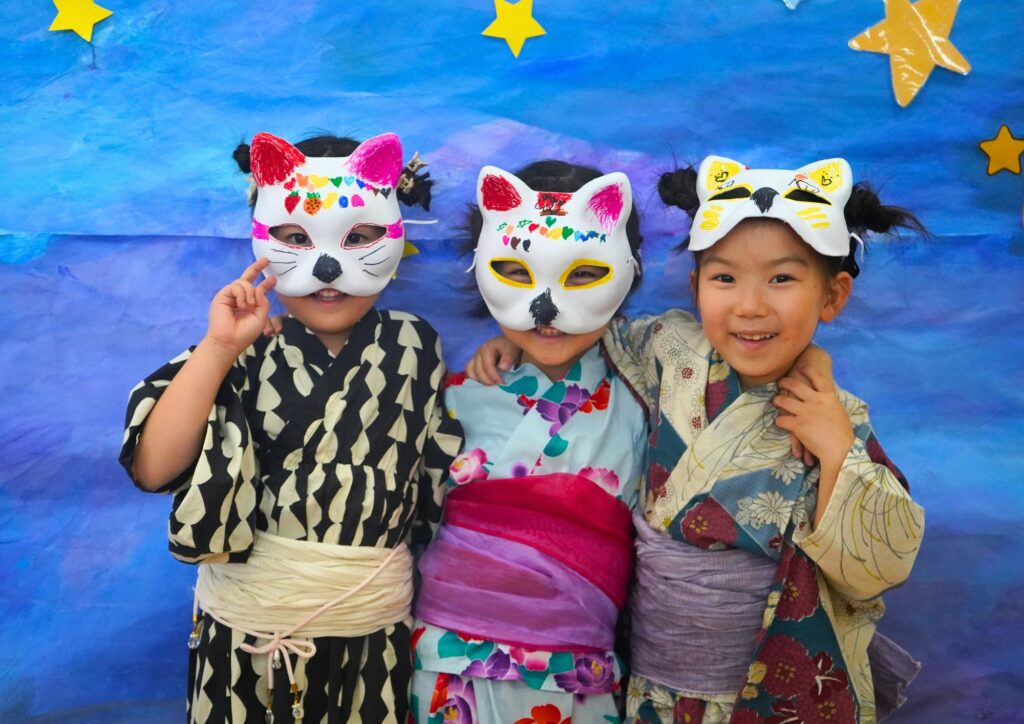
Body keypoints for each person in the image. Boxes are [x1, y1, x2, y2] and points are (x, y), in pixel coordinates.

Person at [469, 156, 925, 723]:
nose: (750, 306)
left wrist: (836, 452)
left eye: (782, 278)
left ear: (833, 295)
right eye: (724, 278)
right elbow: (575, 325)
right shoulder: (668, 349)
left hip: (765, 690)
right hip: (652, 689)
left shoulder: (833, 417)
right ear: (695, 286)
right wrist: (516, 341)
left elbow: (880, 566)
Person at [120, 131, 461, 724]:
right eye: (295, 238)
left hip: (371, 638)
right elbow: (154, 469)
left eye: (360, 237)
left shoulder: (415, 346)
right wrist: (219, 349)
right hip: (243, 641)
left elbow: (436, 483)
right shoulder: (243, 348)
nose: (328, 267)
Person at [410, 161, 648, 723]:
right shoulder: (454, 396)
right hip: (443, 672)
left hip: (579, 682)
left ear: (629, 271)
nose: (548, 310)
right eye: (515, 271)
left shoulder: (648, 400)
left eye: (584, 275)